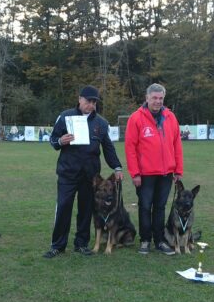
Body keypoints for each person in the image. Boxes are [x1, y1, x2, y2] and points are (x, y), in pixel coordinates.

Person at [43, 85, 123, 258]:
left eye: (94, 102)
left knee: (86, 210)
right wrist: (60, 141)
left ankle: (81, 244)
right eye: (88, 101)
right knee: (63, 207)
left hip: (90, 176)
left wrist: (116, 167)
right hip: (68, 172)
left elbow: (108, 148)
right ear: (80, 99)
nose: (91, 105)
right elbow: (53, 139)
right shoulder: (65, 117)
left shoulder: (101, 123)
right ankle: (57, 245)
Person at [125, 83, 183, 255]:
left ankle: (159, 240)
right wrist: (134, 173)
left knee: (160, 207)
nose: (158, 101)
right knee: (144, 207)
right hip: (145, 174)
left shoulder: (170, 117)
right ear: (147, 98)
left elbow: (177, 144)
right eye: (154, 98)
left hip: (166, 173)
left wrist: (178, 170)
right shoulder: (136, 118)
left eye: (161, 98)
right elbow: (130, 148)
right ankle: (145, 240)